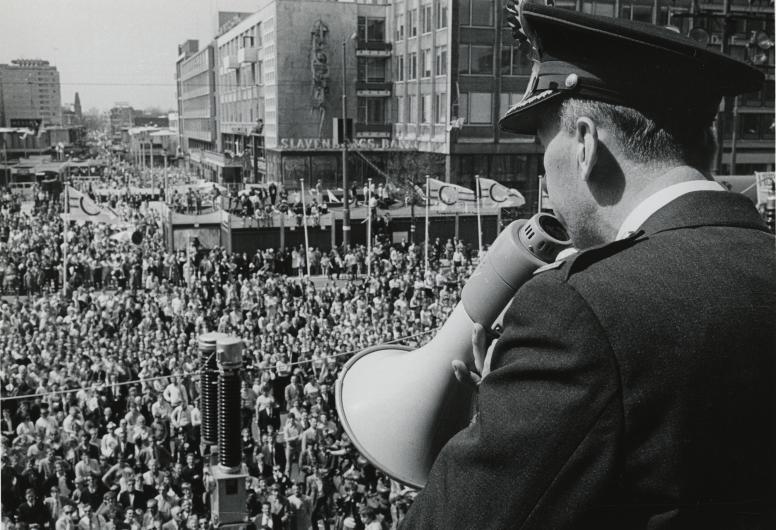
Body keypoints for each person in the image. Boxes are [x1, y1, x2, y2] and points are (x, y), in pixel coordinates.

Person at [403, 2, 775, 529]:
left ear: (584, 143)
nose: (545, 178)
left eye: (541, 149)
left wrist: (499, 417)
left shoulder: (581, 310)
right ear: (707, 145)